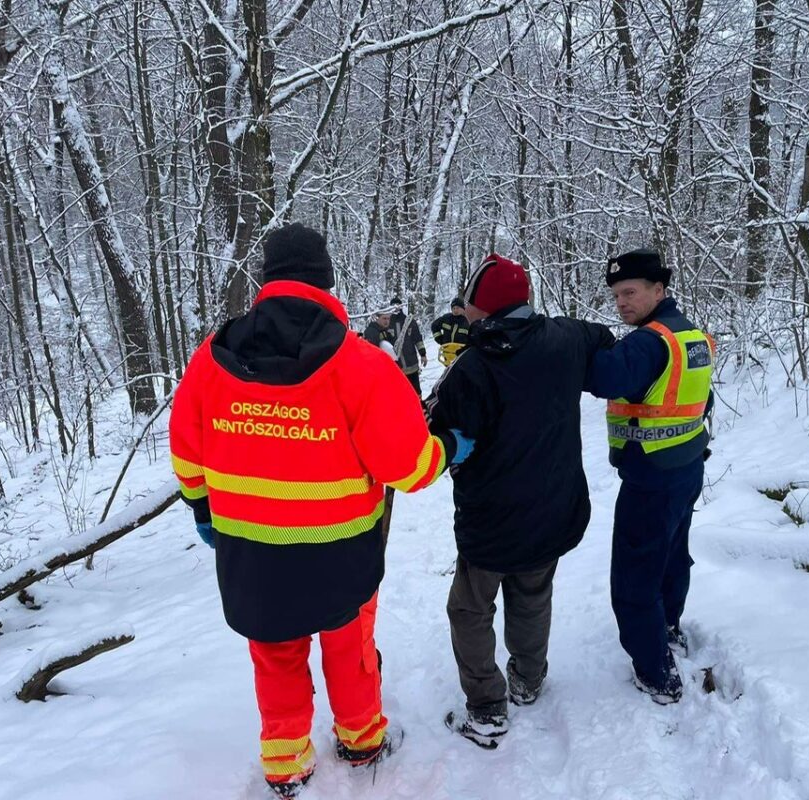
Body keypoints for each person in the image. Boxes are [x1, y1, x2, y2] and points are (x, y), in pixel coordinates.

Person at [168, 223, 473, 798]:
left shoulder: (211, 359)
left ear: (266, 280)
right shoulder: (362, 365)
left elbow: (187, 450)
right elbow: (408, 468)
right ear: (327, 281)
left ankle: (286, 766)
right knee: (349, 650)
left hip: (250, 555)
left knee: (276, 656)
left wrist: (202, 509)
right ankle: (361, 740)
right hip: (342, 552)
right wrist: (450, 449)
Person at [426, 253, 613, 748]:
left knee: (469, 609)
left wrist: (457, 358)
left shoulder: (473, 368)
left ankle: (487, 708)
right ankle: (528, 679)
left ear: (483, 310)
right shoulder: (567, 339)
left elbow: (431, 428)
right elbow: (602, 339)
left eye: (468, 306)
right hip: (554, 510)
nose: (462, 313)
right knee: (533, 594)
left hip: (491, 520)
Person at [585, 248, 714, 705]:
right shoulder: (691, 335)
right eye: (617, 294)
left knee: (635, 574)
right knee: (672, 557)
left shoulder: (647, 341)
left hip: (651, 474)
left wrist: (583, 341)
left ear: (659, 290)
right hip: (686, 466)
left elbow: (603, 377)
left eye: (631, 292)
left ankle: (656, 672)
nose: (622, 302)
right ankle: (667, 627)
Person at [363, 299, 428, 396]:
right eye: (393, 306)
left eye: (398, 305)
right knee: (401, 394)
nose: (396, 308)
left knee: (416, 392)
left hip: (412, 364)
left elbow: (418, 339)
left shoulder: (409, 321)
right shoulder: (385, 325)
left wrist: (423, 354)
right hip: (397, 368)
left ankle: (420, 408)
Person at [430, 297, 470, 366]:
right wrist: (439, 339)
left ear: (463, 309)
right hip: (448, 354)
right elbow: (434, 325)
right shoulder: (446, 318)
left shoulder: (468, 321)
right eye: (453, 308)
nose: (455, 310)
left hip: (462, 355)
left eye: (457, 308)